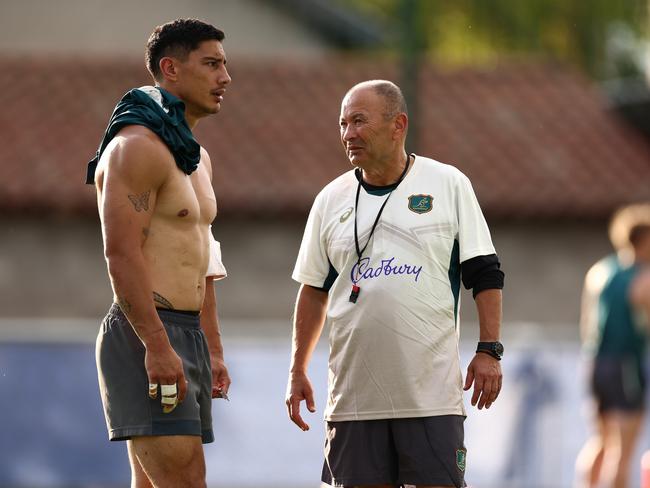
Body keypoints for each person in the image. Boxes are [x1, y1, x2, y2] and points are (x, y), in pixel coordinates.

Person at [285, 80, 505, 488]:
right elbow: (312, 290)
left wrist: (489, 350)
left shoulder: (448, 184)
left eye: (359, 122)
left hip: (430, 399)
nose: (349, 134)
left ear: (398, 125)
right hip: (352, 402)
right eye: (343, 123)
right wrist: (297, 369)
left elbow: (485, 273)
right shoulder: (329, 199)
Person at [85, 19, 232, 488]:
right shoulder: (135, 148)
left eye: (224, 65)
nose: (224, 78)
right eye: (211, 64)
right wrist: (156, 345)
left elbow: (203, 256)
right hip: (147, 332)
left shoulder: (196, 157)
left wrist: (212, 347)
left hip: (186, 333)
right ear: (170, 69)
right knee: (186, 481)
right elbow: (121, 255)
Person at [575, 204, 650, 488]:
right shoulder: (644, 277)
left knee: (600, 442)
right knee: (623, 451)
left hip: (595, 363)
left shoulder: (599, 272)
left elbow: (586, 321)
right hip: (626, 363)